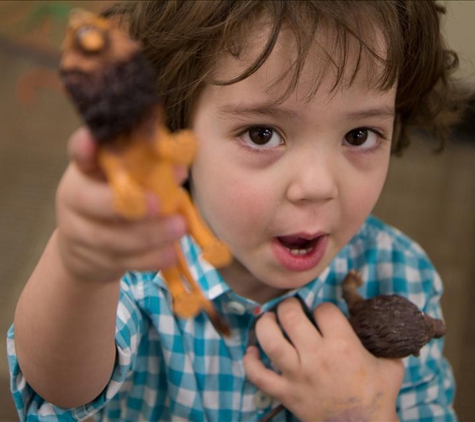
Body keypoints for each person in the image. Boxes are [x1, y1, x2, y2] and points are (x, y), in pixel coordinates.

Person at [7, 1, 464, 421]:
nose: (319, 187)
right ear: (176, 127)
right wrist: (81, 268)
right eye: (263, 134)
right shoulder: (141, 262)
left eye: (360, 135)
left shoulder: (399, 273)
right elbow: (60, 389)